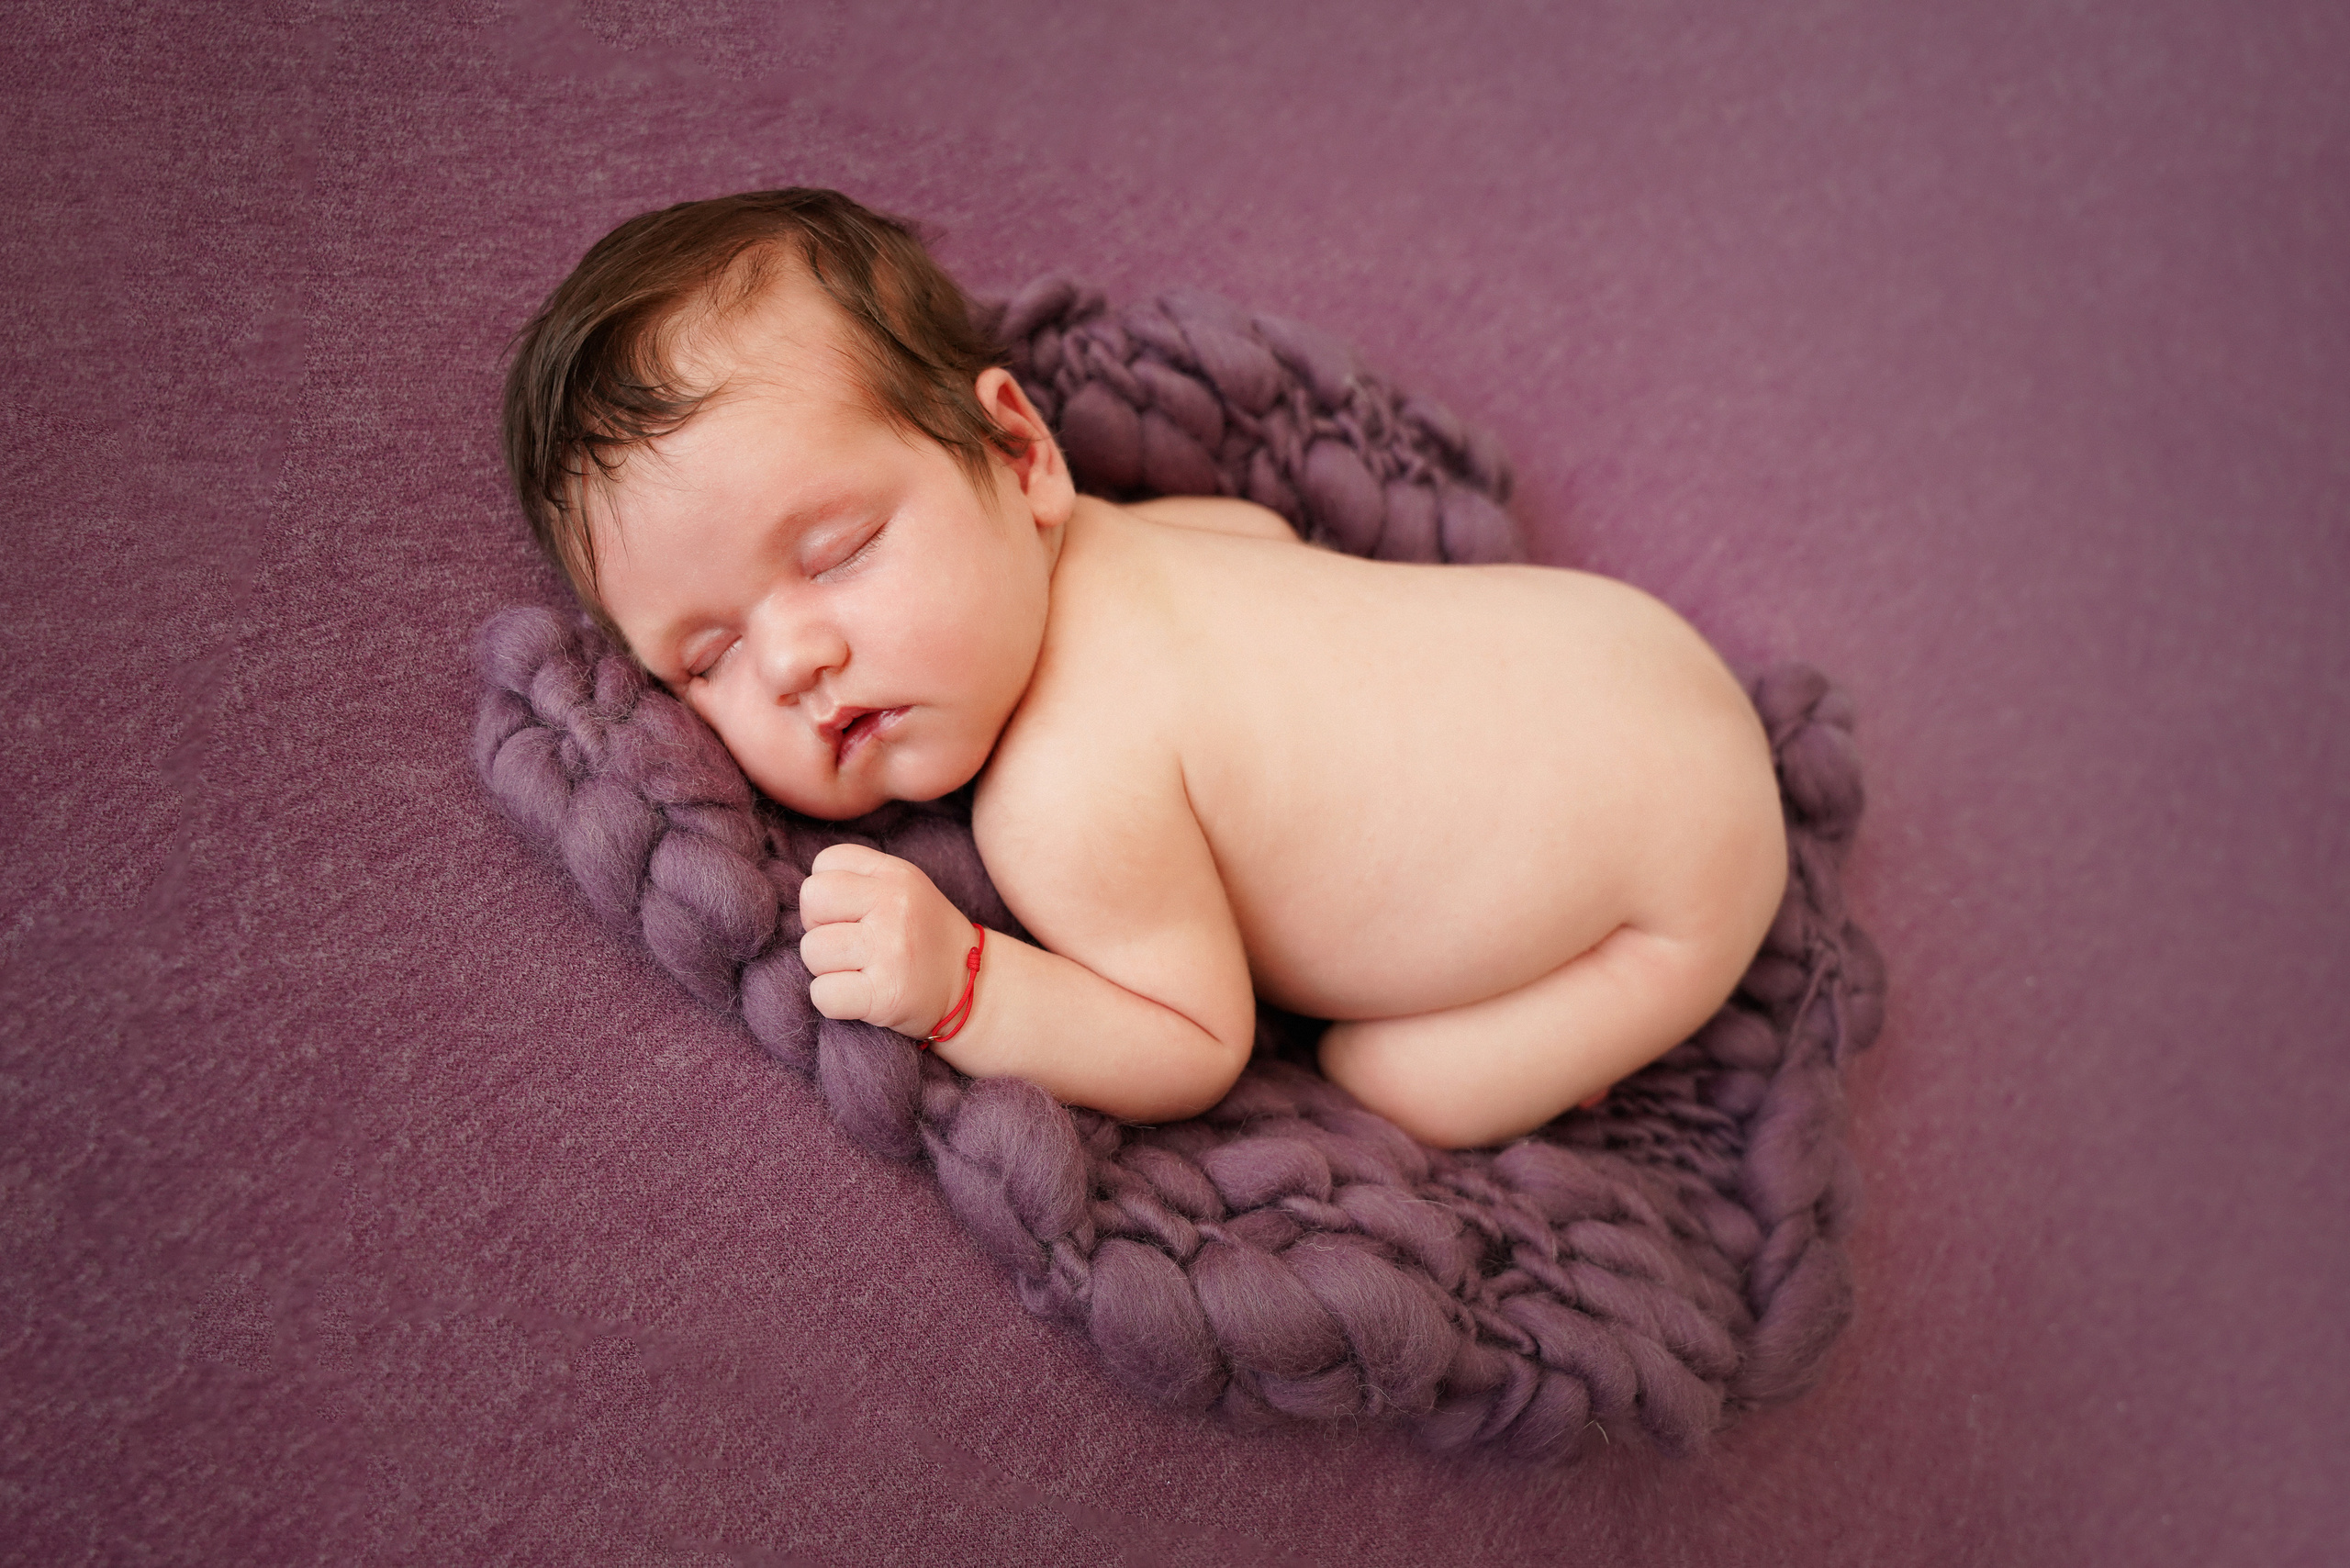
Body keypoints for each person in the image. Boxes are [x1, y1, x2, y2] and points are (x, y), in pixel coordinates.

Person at [503, 188, 1787, 1149]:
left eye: (837, 553)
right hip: (1621, 648)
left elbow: (1196, 1045)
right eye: (707, 657)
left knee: (1391, 1085)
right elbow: (1267, 543)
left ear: (1019, 455)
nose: (794, 659)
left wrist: (965, 983)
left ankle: (1609, 1006)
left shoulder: (1065, 792)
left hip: (1681, 892)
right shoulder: (1137, 531)